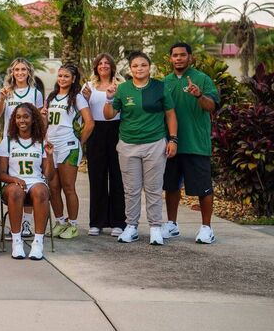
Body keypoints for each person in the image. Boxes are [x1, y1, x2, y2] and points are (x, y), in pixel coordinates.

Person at [104, 51, 177, 245]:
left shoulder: (160, 87)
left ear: (149, 67)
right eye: (135, 66)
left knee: (153, 188)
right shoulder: (123, 89)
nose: (139, 69)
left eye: (143, 65)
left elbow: (170, 114)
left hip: (154, 143)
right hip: (128, 144)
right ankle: (131, 227)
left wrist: (173, 140)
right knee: (131, 189)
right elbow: (109, 114)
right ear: (130, 69)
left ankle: (155, 227)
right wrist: (109, 98)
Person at [163, 42, 219, 243]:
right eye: (175, 55)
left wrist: (198, 95)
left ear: (190, 57)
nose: (178, 58)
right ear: (170, 58)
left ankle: (206, 229)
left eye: (182, 55)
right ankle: (171, 225)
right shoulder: (165, 82)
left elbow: (211, 106)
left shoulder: (202, 79)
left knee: (203, 189)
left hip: (196, 144)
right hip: (172, 144)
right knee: (171, 187)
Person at [43, 64, 94, 239]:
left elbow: (90, 123)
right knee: (53, 187)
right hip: (51, 147)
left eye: (66, 76)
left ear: (73, 79)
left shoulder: (77, 98)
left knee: (68, 187)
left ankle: (72, 224)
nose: (62, 79)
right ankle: (60, 221)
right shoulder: (51, 97)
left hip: (68, 146)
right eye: (60, 76)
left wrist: (79, 142)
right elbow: (46, 122)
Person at [0, 103, 54, 260]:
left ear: (33, 119)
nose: (21, 120)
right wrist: (14, 179)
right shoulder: (8, 142)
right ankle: (17, 242)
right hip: (13, 185)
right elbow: (1, 174)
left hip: (35, 183)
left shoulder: (41, 142)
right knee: (16, 191)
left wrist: (49, 156)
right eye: (18, 117)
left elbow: (49, 176)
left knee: (41, 190)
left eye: (26, 116)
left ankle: (38, 242)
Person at [81, 53, 125, 237]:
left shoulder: (121, 86)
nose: (104, 65)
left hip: (117, 130)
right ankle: (96, 222)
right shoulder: (88, 86)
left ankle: (118, 222)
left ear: (113, 66)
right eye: (100, 63)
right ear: (95, 67)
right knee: (97, 177)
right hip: (96, 132)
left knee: (117, 177)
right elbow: (83, 112)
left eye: (107, 62)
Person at [0, 57, 45, 237]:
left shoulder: (35, 93)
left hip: (30, 140)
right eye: (16, 70)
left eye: (23, 70)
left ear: (29, 72)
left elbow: (40, 119)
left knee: (31, 178)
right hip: (11, 140)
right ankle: (15, 224)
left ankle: (26, 224)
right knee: (15, 182)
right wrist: (1, 99)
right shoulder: (6, 92)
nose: (20, 73)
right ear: (12, 72)